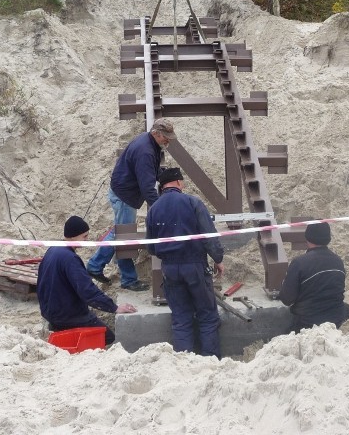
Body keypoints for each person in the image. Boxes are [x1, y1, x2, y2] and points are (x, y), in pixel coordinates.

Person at [87, 118, 177, 291]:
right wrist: (159, 209)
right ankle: (122, 277)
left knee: (120, 232)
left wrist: (163, 176)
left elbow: (151, 169)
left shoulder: (149, 142)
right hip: (125, 196)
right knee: (123, 235)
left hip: (122, 191)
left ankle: (95, 265)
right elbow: (146, 186)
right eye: (166, 137)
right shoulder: (146, 151)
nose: (168, 140)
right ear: (156, 133)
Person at [145, 167, 225, 357]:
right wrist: (218, 259)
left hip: (170, 269)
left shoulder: (153, 209)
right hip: (195, 265)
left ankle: (183, 363)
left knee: (181, 319)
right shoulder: (193, 202)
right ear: (179, 183)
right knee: (207, 316)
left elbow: (151, 247)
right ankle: (210, 362)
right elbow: (209, 236)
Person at [37, 215, 137, 346]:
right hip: (68, 316)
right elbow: (87, 291)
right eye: (84, 236)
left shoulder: (53, 250)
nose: (87, 239)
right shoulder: (70, 259)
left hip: (51, 312)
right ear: (73, 236)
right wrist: (114, 307)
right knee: (109, 338)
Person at [278, 222, 349, 332]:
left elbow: (287, 299)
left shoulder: (299, 263)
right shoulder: (338, 261)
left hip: (308, 323)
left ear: (307, 237)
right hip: (336, 319)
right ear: (328, 238)